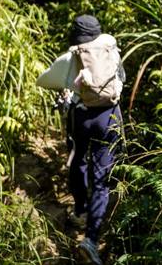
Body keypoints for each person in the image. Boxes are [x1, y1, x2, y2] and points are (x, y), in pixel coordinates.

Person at [37, 15, 124, 265]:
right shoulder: (112, 51)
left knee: (78, 160)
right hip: (109, 118)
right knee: (101, 180)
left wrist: (67, 85)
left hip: (81, 118)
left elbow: (41, 80)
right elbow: (121, 80)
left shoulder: (69, 58)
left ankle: (80, 211)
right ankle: (92, 240)